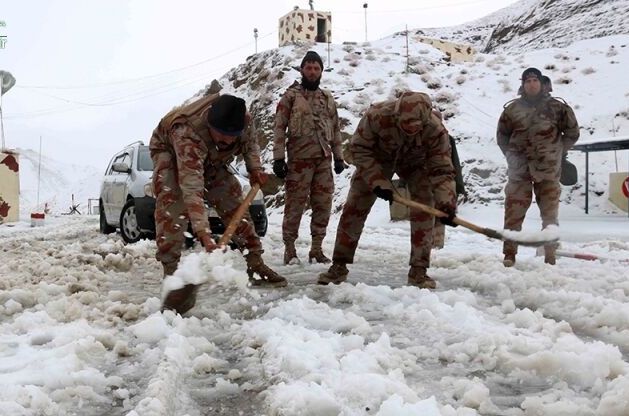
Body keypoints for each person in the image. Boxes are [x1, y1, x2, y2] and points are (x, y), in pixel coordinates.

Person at [149, 93, 287, 313]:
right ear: (210, 124)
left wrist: (255, 169)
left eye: (231, 137)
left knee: (234, 204)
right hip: (169, 152)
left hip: (213, 159)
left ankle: (255, 263)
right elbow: (192, 188)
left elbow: (250, 145)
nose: (227, 141)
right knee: (172, 206)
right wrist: (204, 235)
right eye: (221, 135)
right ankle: (172, 276)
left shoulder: (245, 121)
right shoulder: (187, 133)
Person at [318, 92, 457, 289]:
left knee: (426, 206)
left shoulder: (435, 130)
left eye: (414, 124)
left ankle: (419, 270)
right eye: (405, 122)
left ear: (424, 121)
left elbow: (442, 169)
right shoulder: (377, 115)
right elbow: (358, 149)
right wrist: (377, 182)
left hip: (416, 163)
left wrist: (447, 203)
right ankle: (339, 265)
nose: (409, 127)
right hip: (377, 158)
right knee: (355, 205)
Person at [496, 67, 580, 267]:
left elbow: (572, 132)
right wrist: (511, 157)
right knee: (513, 215)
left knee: (550, 217)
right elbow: (502, 136)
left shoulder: (558, 108)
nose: (531, 84)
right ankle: (509, 255)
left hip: (548, 170)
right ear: (523, 85)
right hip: (519, 172)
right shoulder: (512, 109)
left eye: (535, 80)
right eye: (527, 81)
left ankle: (550, 255)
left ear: (542, 83)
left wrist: (557, 151)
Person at [273, 51, 345, 265]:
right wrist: (278, 159)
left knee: (323, 204)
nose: (313, 72)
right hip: (299, 162)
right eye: (309, 68)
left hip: (323, 160)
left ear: (321, 71)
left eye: (317, 68)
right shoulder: (290, 97)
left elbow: (336, 128)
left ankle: (316, 248)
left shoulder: (328, 99)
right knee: (294, 205)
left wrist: (339, 157)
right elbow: (279, 128)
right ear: (302, 70)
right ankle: (290, 249)